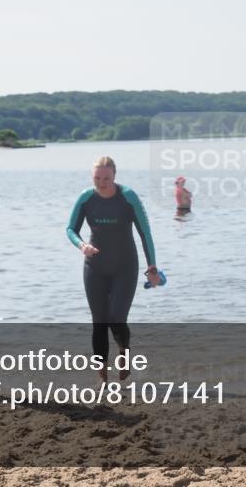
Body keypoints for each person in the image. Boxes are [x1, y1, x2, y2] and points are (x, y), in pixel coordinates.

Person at [67, 156, 160, 380]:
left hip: (124, 266)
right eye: (97, 178)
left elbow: (145, 232)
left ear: (114, 176)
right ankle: (103, 380)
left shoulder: (128, 197)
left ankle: (124, 352)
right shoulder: (86, 198)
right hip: (95, 267)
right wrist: (82, 245)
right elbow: (70, 229)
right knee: (99, 322)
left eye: (106, 178)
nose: (101, 183)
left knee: (116, 317)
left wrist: (152, 267)